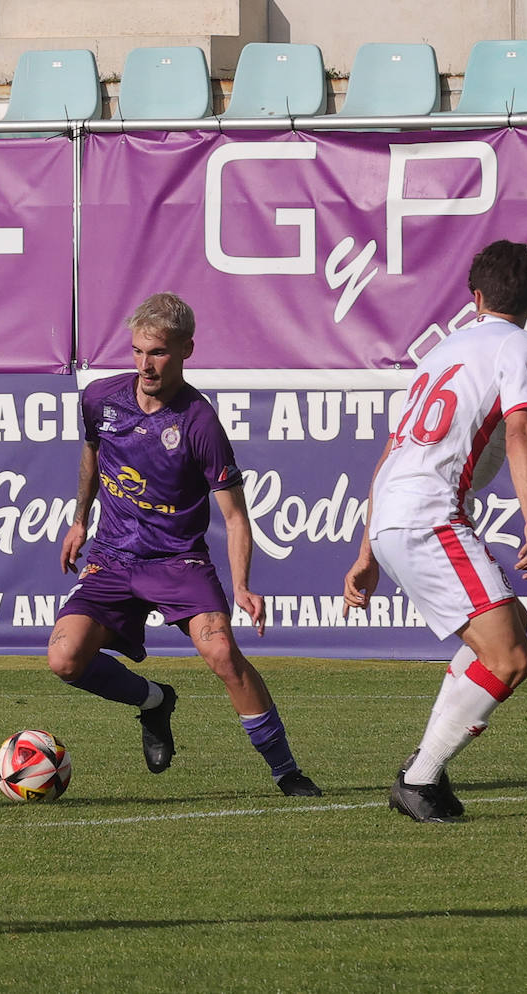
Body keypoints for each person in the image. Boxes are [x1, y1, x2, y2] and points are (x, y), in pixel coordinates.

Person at [48, 292, 321, 797]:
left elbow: (236, 518)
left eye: (159, 352)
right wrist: (79, 519)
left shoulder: (199, 423)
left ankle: (287, 771)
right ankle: (154, 702)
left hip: (178, 559)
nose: (145, 364)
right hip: (112, 556)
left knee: (221, 652)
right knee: (64, 660)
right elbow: (92, 452)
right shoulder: (100, 400)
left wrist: (243, 585)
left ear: (186, 350)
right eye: (137, 351)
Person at [342, 239, 527, 824]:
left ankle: (425, 772)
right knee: (508, 656)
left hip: (395, 510)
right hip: (430, 513)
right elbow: (520, 430)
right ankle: (420, 777)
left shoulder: (442, 351)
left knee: (507, 632)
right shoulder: (522, 343)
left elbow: (393, 448)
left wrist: (367, 551)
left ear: (476, 296)